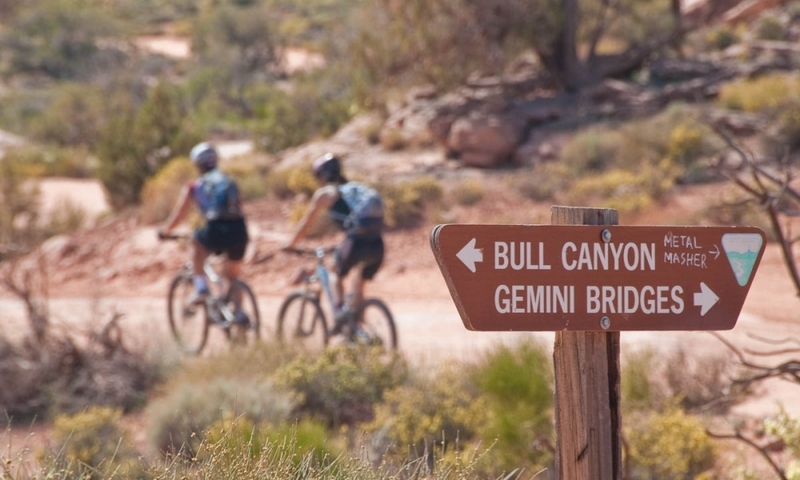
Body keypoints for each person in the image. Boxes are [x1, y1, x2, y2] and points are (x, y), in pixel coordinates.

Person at [281, 153, 385, 329]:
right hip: (377, 243)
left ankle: (340, 314)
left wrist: (290, 245)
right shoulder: (354, 189)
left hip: (356, 243)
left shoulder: (325, 194)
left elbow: (306, 223)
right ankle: (358, 328)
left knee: (334, 274)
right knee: (359, 281)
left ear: (322, 176)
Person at [158, 141, 250, 325]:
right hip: (240, 230)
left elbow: (180, 214)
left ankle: (200, 288)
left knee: (195, 242)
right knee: (233, 277)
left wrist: (166, 231)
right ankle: (239, 314)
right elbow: (239, 208)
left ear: (197, 165)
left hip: (215, 229)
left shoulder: (195, 186)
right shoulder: (229, 181)